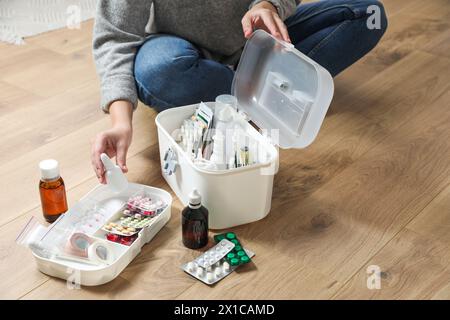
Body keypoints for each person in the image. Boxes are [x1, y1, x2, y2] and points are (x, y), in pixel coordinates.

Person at [91, 0, 387, 183]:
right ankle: (262, 89)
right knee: (157, 71)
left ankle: (243, 87)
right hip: (181, 50)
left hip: (258, 38)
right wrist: (120, 121)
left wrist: (268, 5)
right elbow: (116, 36)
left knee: (368, 15)